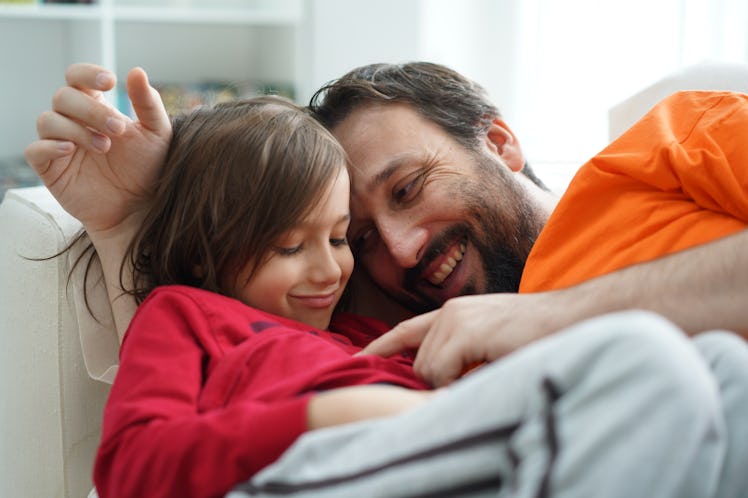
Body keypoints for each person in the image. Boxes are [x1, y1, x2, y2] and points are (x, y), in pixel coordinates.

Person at [25, 63, 747, 497]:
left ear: (496, 140)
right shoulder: (375, 317)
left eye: (406, 188)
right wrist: (128, 221)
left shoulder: (676, 142)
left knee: (722, 372)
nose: (395, 251)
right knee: (666, 366)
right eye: (359, 236)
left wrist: (557, 318)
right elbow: (187, 364)